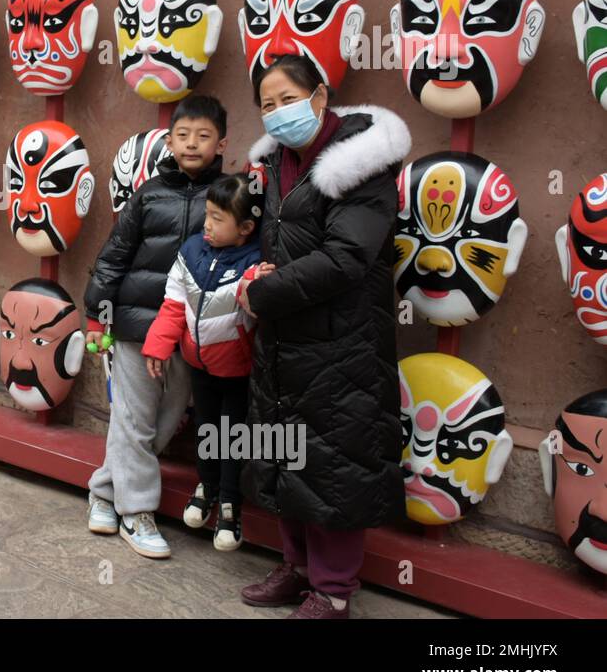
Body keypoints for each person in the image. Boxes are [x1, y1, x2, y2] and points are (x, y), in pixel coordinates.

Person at [235, 55, 410, 619]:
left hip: (342, 342)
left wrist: (265, 293)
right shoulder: (273, 165)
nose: (278, 112)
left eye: (287, 98)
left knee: (334, 463)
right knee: (285, 454)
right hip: (283, 338)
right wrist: (259, 277)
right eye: (266, 104)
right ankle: (299, 568)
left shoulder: (360, 167)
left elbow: (346, 258)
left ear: (319, 95)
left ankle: (333, 593)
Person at [83, 95, 227, 560]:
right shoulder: (148, 195)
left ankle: (104, 490)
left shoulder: (228, 194)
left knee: (164, 421)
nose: (192, 144)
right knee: (133, 416)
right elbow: (114, 256)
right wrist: (96, 314)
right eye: (183, 135)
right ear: (169, 141)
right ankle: (136, 511)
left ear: (221, 142)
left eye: (203, 136)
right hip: (135, 325)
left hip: (192, 330)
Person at [142, 173, 263, 553]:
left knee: (232, 438)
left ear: (245, 228)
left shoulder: (256, 260)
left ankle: (230, 504)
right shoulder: (192, 250)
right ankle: (207, 488)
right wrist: (158, 345)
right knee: (205, 430)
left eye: (218, 219)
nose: (207, 225)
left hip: (237, 372)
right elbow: (174, 303)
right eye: (207, 215)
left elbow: (258, 304)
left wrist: (257, 285)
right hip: (200, 367)